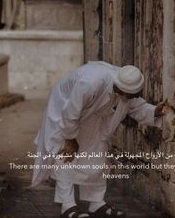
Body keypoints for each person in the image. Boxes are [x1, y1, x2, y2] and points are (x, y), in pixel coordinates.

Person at [31, 61, 165, 218]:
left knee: (98, 152)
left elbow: (136, 106)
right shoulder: (89, 82)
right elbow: (71, 112)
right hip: (64, 106)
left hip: (91, 112)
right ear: (120, 89)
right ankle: (67, 207)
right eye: (133, 94)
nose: (136, 96)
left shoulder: (125, 84)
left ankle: (96, 203)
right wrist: (70, 138)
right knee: (66, 154)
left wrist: (155, 111)